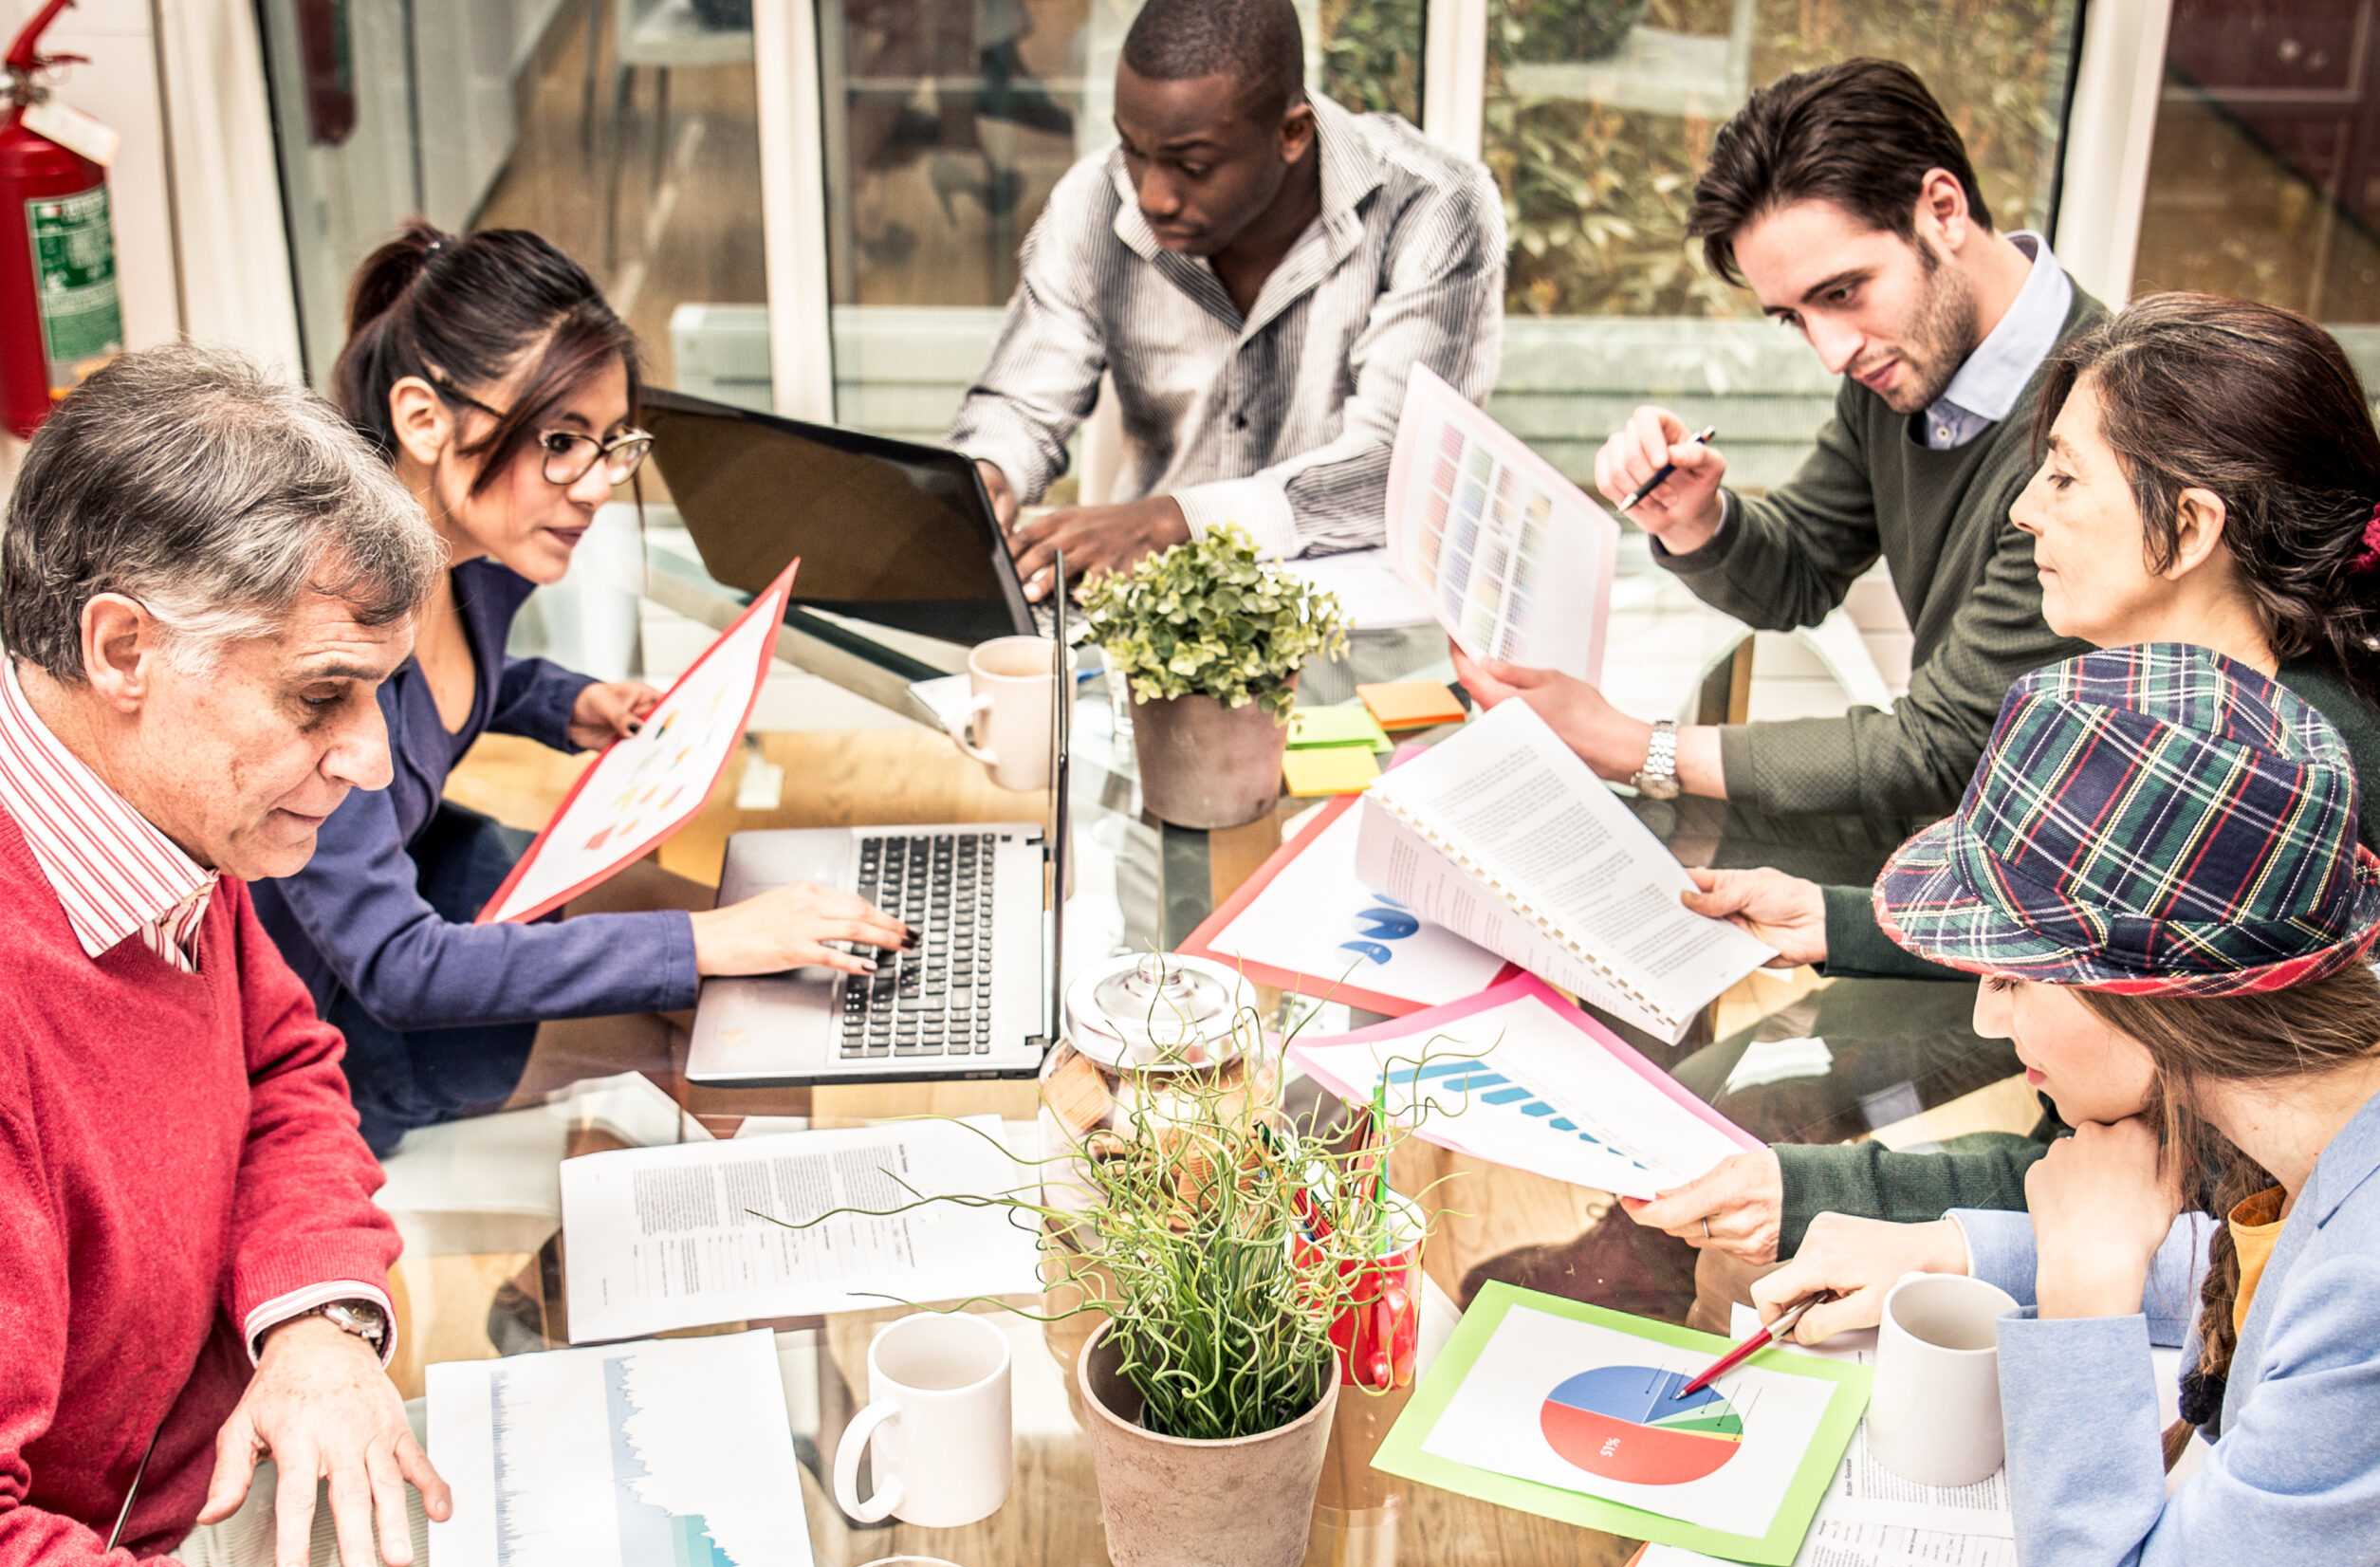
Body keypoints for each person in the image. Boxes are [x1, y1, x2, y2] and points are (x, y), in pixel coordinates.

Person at [0, 345, 848, 1567]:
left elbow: (288, 1064)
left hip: (159, 1489)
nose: (361, 764)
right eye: (319, 701)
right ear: (120, 648)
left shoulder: (148, 824)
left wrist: (312, 1324)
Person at [1733, 641, 2380, 1567]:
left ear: (2150, 997)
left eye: (2020, 977)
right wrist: (1960, 1241)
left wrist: (2082, 1308)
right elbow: (2243, 1267)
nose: (1986, 1021)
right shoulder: (2323, 1096)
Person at [1628, 292, 2380, 1269]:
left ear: (2189, 528)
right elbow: (2090, 936)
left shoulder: (2298, 787)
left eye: (2064, 478)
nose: (2023, 509)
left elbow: (2111, 1181)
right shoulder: (2224, 718)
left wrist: (1815, 1193)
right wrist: (1836, 920)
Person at [249, 224, 909, 1154]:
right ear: (424, 419)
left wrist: (565, 702)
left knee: (748, 976)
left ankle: (760, 1196)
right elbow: (399, 967)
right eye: (561, 442)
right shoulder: (331, 638)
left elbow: (456, 678)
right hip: (332, 1012)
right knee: (704, 989)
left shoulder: (467, 554)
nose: (597, 483)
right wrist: (703, 946)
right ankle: (672, 1249)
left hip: (425, 877)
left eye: (611, 445)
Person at [1452, 58, 2098, 879]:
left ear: (1941, 209)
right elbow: (1799, 572)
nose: (1831, 350)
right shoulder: (1906, 358)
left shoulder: (2104, 431)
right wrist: (1696, 520)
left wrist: (1632, 746)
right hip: (1951, 833)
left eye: (1842, 292)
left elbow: (1945, 747)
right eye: (1793, 317)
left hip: (2064, 894)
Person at [946, 0, 1504, 599]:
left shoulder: (1433, 208)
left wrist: (1173, 521)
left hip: (1362, 650)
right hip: (1153, 628)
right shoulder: (1094, 201)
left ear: (1292, 133)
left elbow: (1402, 470)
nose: (1153, 197)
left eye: (1193, 165)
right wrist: (988, 472)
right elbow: (1022, 406)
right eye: (1133, 149)